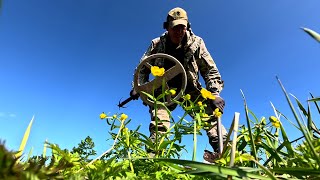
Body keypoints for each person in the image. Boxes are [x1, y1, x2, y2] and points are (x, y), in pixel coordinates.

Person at [131, 7, 227, 163]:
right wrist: (139, 88)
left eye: (182, 27)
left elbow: (210, 70)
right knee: (159, 124)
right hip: (162, 90)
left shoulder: (197, 43)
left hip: (190, 89)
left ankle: (226, 154)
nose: (178, 31)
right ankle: (153, 161)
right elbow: (142, 68)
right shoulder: (156, 44)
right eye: (174, 27)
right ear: (167, 27)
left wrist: (214, 93)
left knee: (209, 118)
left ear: (187, 26)